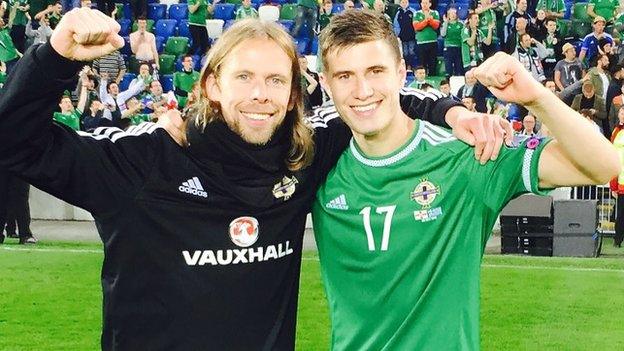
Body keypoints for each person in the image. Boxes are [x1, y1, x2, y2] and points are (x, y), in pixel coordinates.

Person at [0, 8, 511, 349]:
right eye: (243, 77)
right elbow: (15, 144)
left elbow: (379, 101)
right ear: (211, 85)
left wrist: (453, 112)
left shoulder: (304, 149)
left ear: (294, 94)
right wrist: (54, 56)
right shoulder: (144, 160)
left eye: (275, 80)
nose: (260, 94)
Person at [312, 10, 619, 350]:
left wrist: (536, 98)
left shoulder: (469, 153)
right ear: (326, 83)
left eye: (375, 71)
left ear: (401, 74)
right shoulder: (316, 167)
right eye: (344, 76)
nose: (362, 90)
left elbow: (606, 168)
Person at [413, 0, 440, 75]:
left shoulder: (435, 13)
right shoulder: (416, 13)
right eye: (423, 3)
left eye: (426, 3)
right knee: (421, 65)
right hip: (421, 43)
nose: (424, 5)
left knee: (433, 64)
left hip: (432, 42)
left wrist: (429, 20)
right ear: (421, 4)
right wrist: (427, 20)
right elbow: (417, 27)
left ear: (430, 4)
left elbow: (436, 26)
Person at [610, 105, 624, 248]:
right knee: (620, 213)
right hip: (620, 180)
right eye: (621, 112)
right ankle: (617, 239)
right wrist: (613, 184)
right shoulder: (615, 131)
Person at [393, 0, 417, 72]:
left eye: (406, 2)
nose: (404, 4)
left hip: (411, 36)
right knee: (405, 53)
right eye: (402, 2)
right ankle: (407, 67)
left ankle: (412, 67)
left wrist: (416, 34)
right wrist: (398, 34)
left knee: (412, 52)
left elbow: (416, 23)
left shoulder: (412, 11)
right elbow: (396, 25)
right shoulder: (398, 13)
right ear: (400, 3)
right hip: (403, 37)